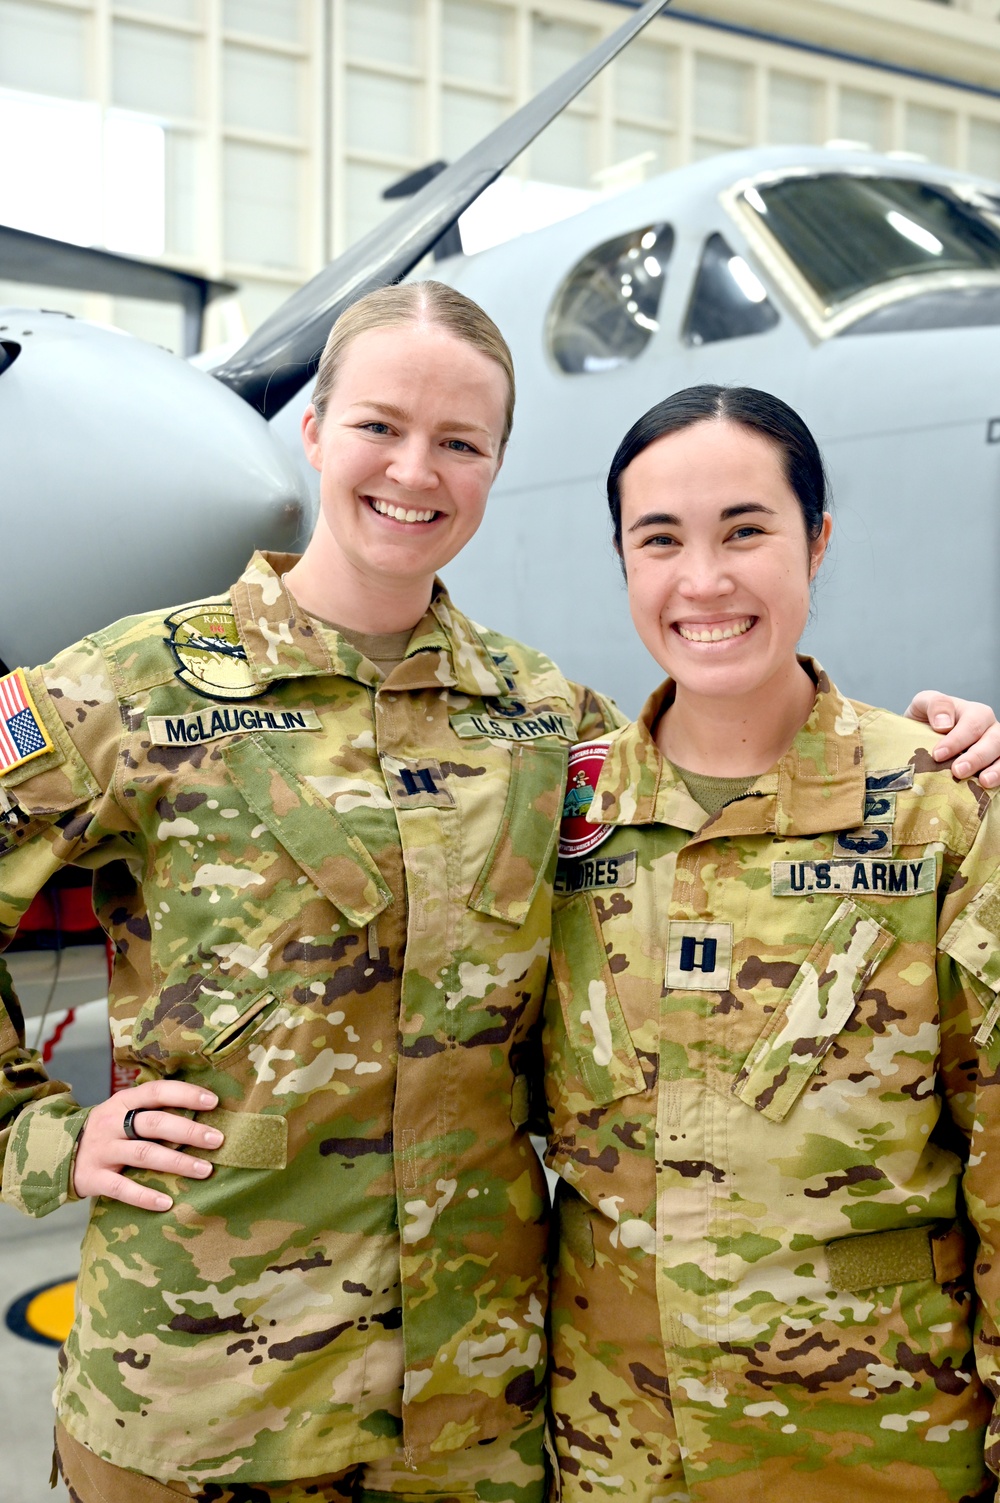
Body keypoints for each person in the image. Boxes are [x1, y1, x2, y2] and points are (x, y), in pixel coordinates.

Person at [0, 304, 993, 1503]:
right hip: (200, 1400)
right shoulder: (129, 685)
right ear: (312, 434)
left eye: (462, 442)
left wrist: (949, 755)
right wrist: (38, 1138)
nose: (416, 471)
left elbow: (727, 789)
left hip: (476, 1416)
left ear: (497, 469)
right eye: (380, 425)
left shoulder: (541, 724)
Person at [542, 384, 1000, 1503]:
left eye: (746, 530)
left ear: (816, 541)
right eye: (660, 541)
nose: (703, 581)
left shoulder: (935, 809)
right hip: (619, 1444)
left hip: (873, 1439)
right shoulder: (554, 817)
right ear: (623, 559)